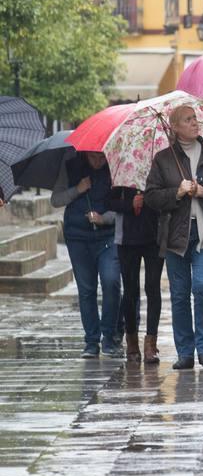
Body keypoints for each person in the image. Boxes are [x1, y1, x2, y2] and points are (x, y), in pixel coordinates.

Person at [145, 105, 203, 369]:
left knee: (202, 286)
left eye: (195, 118)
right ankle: (185, 352)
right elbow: (151, 196)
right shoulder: (163, 159)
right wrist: (176, 192)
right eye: (188, 119)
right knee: (180, 294)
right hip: (175, 235)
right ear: (174, 127)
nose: (195, 122)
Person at [52, 151, 121, 358]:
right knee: (87, 289)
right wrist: (78, 189)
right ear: (85, 154)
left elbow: (121, 206)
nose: (97, 162)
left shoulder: (114, 168)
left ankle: (109, 336)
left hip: (107, 236)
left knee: (111, 282)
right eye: (93, 158)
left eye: (101, 158)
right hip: (77, 238)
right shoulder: (70, 166)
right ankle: (91, 341)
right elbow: (56, 199)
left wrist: (104, 219)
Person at [108, 186, 163, 364]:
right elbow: (108, 201)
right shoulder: (121, 169)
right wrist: (129, 204)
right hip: (127, 239)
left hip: (155, 236)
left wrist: (150, 199)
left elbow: (168, 196)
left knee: (153, 287)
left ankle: (151, 343)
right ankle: (131, 340)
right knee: (130, 291)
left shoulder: (159, 164)